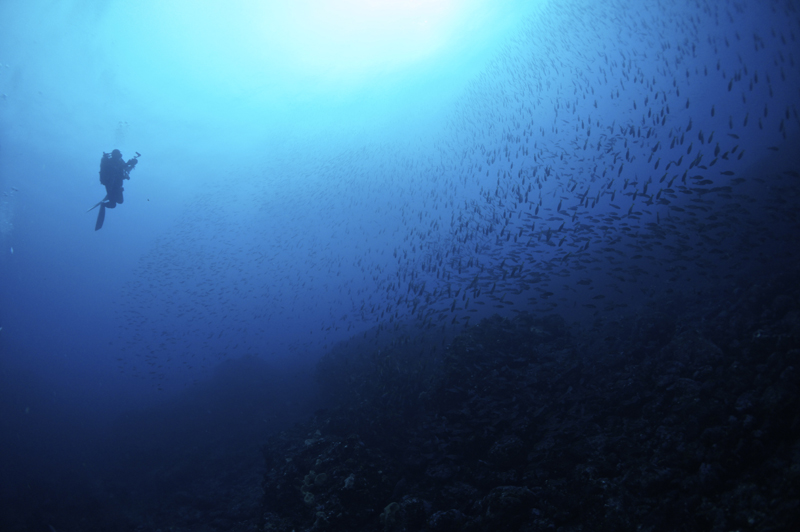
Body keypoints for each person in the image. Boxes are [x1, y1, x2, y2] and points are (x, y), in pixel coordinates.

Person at [91, 149, 139, 230]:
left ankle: (109, 197)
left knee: (120, 201)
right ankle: (104, 204)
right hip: (110, 186)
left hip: (118, 186)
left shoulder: (120, 161)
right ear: (114, 155)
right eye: (118, 155)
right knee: (113, 205)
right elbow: (115, 169)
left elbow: (125, 170)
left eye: (119, 155)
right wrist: (127, 164)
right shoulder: (109, 162)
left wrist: (132, 164)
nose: (119, 157)